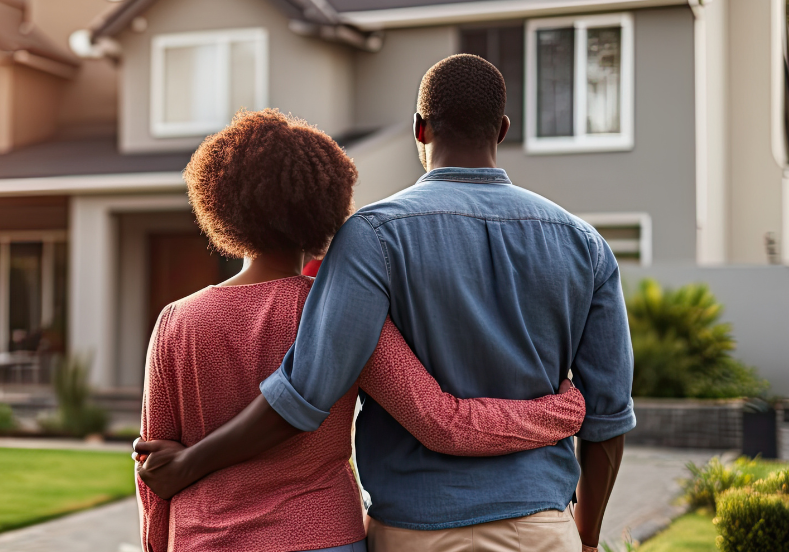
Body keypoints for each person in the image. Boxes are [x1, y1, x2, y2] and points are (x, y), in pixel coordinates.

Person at [137, 55, 636, 552]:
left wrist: (183, 477)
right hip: (519, 526)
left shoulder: (367, 240)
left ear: (420, 128)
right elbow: (457, 420)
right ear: (503, 130)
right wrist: (580, 506)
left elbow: (292, 397)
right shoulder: (586, 245)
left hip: (398, 530)